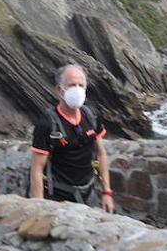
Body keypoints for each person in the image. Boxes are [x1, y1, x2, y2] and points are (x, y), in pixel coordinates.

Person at [29, 63, 115, 213]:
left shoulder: (92, 116)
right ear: (59, 90)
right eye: (72, 85)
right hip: (58, 198)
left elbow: (101, 154)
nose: (77, 90)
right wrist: (39, 207)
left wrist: (106, 192)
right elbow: (37, 168)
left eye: (81, 85)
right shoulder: (47, 124)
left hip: (89, 193)